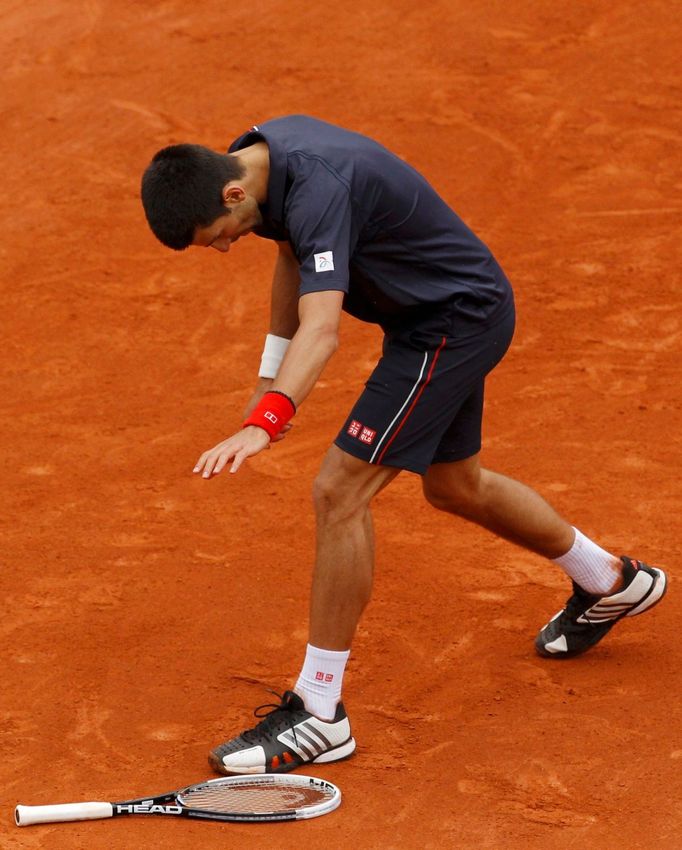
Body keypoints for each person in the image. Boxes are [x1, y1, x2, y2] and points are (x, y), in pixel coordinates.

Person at [140, 115, 667, 776]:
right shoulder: (257, 163)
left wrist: (266, 420)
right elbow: (292, 254)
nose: (222, 250)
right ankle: (611, 581)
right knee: (453, 484)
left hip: (448, 324)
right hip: (442, 314)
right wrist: (269, 376)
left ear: (231, 197)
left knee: (338, 491)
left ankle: (319, 712)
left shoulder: (315, 187)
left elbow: (323, 328)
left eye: (216, 239)